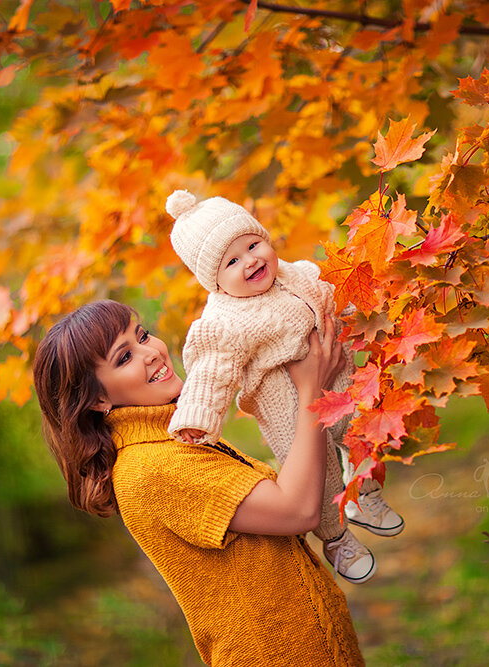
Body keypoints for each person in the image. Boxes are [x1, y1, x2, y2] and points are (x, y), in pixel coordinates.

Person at [33, 300, 365, 666]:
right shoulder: (153, 467)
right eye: (124, 357)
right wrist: (311, 390)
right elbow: (297, 511)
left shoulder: (174, 436)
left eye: (142, 335)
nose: (151, 353)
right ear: (96, 399)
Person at [164, 190, 405, 584]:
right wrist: (197, 417)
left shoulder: (301, 273)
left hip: (342, 380)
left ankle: (365, 494)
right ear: (216, 283)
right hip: (288, 408)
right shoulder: (223, 321)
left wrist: (370, 313)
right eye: (232, 261)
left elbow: (338, 299)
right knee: (321, 470)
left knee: (368, 432)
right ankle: (336, 536)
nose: (251, 261)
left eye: (253, 244)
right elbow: (210, 370)